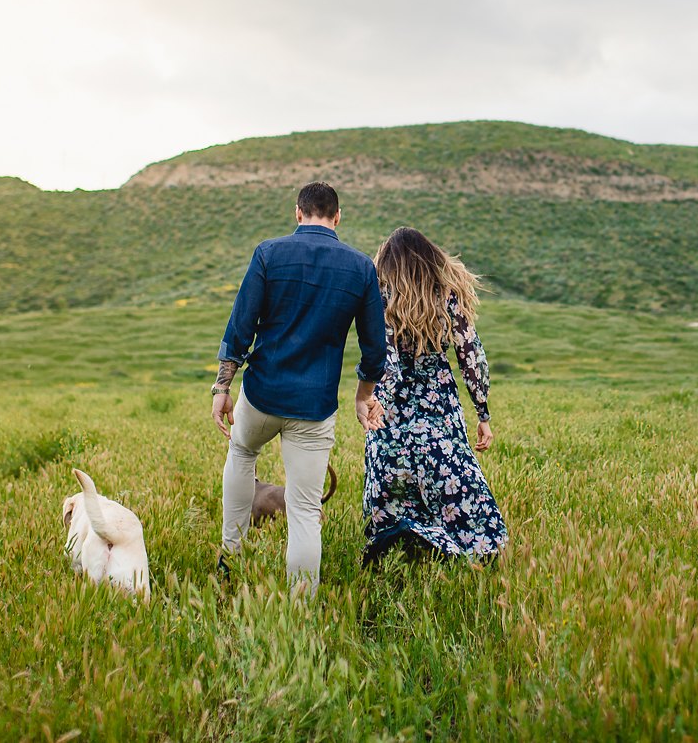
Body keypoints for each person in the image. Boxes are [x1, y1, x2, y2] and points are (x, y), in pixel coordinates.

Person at [214, 181, 388, 593]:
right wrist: (363, 396)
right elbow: (375, 347)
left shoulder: (269, 253)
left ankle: (229, 557)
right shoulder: (361, 267)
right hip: (315, 405)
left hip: (262, 394)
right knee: (306, 511)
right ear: (337, 217)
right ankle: (302, 608)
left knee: (241, 452)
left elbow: (240, 327)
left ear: (298, 213)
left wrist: (222, 386)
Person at [362, 227, 507, 564]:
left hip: (391, 412)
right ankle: (462, 549)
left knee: (392, 490)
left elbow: (387, 359)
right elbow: (471, 356)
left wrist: (378, 400)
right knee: (455, 488)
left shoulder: (380, 295)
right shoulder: (448, 294)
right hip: (439, 407)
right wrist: (482, 414)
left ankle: (401, 547)